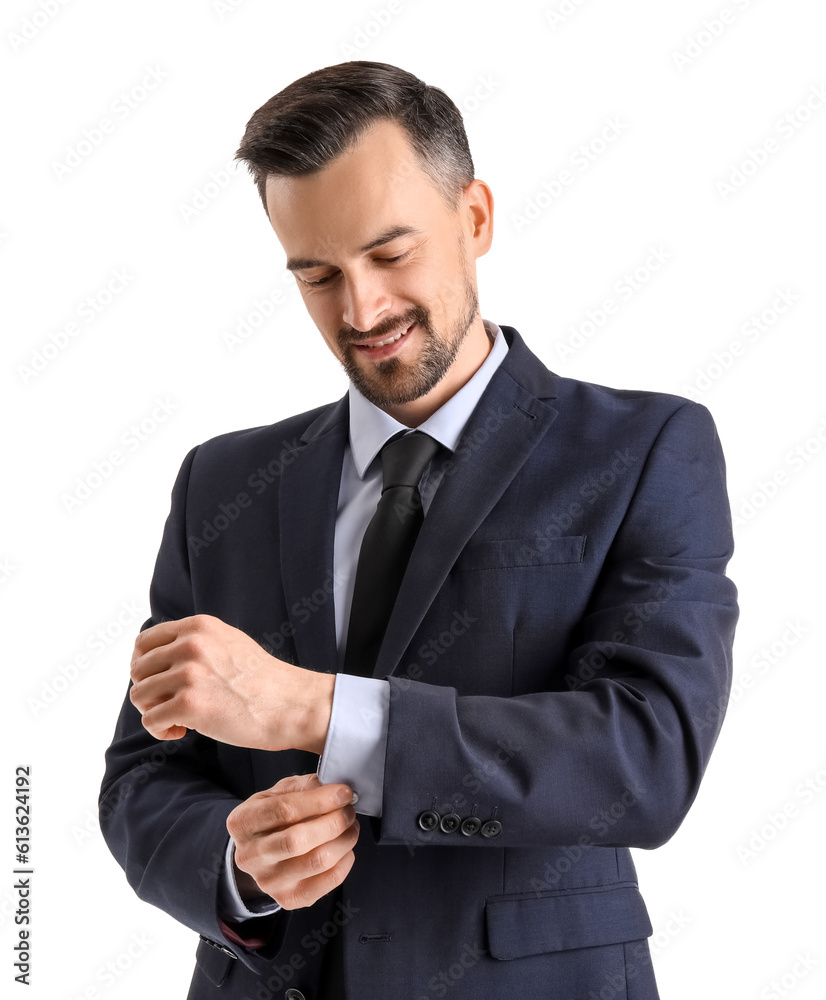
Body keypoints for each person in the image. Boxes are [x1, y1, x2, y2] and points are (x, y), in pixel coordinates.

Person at [99, 60, 739, 1000]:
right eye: (316, 274)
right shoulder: (221, 482)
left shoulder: (649, 446)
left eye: (390, 254)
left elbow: (646, 759)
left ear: (475, 218)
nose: (361, 311)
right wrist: (237, 868)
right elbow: (141, 778)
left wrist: (310, 710)